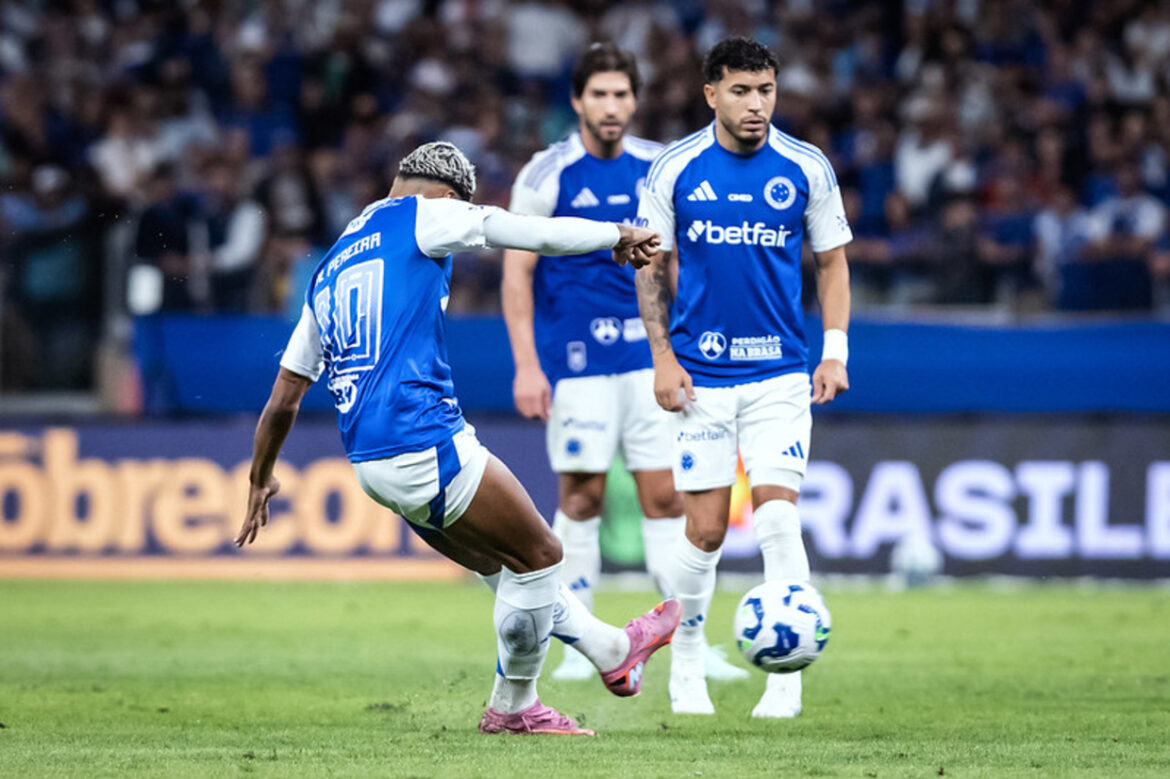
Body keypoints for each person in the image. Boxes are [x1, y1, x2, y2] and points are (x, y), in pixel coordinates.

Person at [235, 141, 680, 736]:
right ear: (447, 195)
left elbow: (283, 398)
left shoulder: (331, 266)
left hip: (372, 463)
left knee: (508, 568)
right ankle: (515, 707)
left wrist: (260, 475)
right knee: (543, 556)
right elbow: (524, 231)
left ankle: (610, 650)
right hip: (423, 438)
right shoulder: (426, 214)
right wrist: (615, 235)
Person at [502, 43, 748, 683]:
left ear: (635, 101)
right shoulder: (545, 173)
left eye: (621, 95)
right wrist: (526, 365)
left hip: (648, 358)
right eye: (599, 95)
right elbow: (516, 272)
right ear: (578, 101)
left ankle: (691, 648)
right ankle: (583, 648)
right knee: (580, 501)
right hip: (576, 361)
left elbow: (679, 263)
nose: (611, 107)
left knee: (665, 499)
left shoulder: (659, 167)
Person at [635, 38, 853, 718]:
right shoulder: (675, 170)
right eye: (741, 91)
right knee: (703, 532)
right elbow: (648, 267)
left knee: (779, 518)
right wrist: (663, 359)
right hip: (700, 377)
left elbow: (833, 264)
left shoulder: (806, 167)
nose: (756, 104)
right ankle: (689, 659)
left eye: (765, 90)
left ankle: (785, 675)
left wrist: (835, 349)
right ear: (712, 94)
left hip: (781, 374)